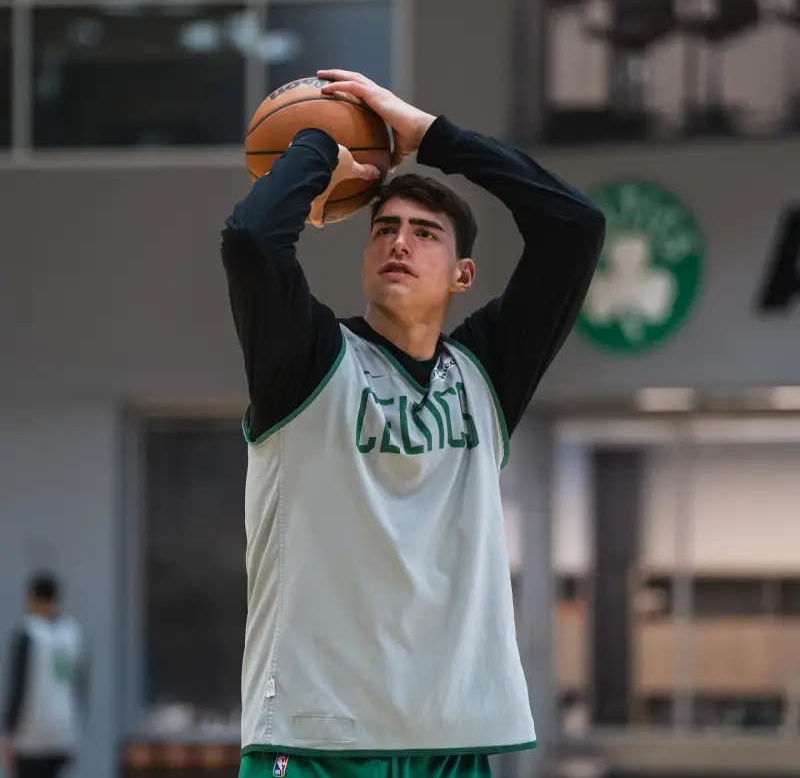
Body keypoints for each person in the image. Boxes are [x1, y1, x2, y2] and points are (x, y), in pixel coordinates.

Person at [221, 70, 605, 778]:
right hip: (315, 738)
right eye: (385, 228)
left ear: (462, 275)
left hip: (450, 741)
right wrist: (320, 148)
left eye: (424, 233)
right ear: (366, 254)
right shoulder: (305, 362)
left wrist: (430, 135)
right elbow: (250, 240)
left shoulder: (487, 374)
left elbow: (575, 226)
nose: (399, 241)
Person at [1, 574, 88, 778]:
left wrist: (8, 727)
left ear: (34, 599)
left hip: (30, 731)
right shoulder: (72, 635)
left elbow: (19, 685)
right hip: (63, 731)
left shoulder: (29, 633)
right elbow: (79, 686)